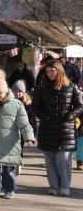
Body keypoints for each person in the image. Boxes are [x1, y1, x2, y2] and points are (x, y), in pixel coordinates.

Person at [32, 62, 83, 196]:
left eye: (52, 71)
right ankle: (53, 186)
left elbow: (80, 106)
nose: (50, 73)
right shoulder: (41, 88)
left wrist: (71, 115)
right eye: (48, 71)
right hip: (47, 129)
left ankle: (65, 186)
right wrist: (44, 116)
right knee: (50, 160)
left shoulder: (71, 87)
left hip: (65, 129)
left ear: (59, 71)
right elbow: (35, 107)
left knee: (64, 158)